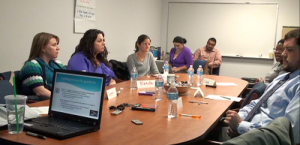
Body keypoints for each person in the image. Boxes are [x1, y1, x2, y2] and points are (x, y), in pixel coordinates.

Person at [220, 29, 300, 144]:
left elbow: (288, 135)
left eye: (289, 50)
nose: (283, 54)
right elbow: (257, 103)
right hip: (245, 131)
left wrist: (240, 125)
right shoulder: (282, 78)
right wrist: (239, 117)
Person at [19, 32, 65, 101]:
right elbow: (40, 92)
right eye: (54, 45)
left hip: (56, 101)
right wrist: (63, 99)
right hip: (38, 103)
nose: (58, 48)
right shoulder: (32, 65)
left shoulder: (58, 63)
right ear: (43, 48)